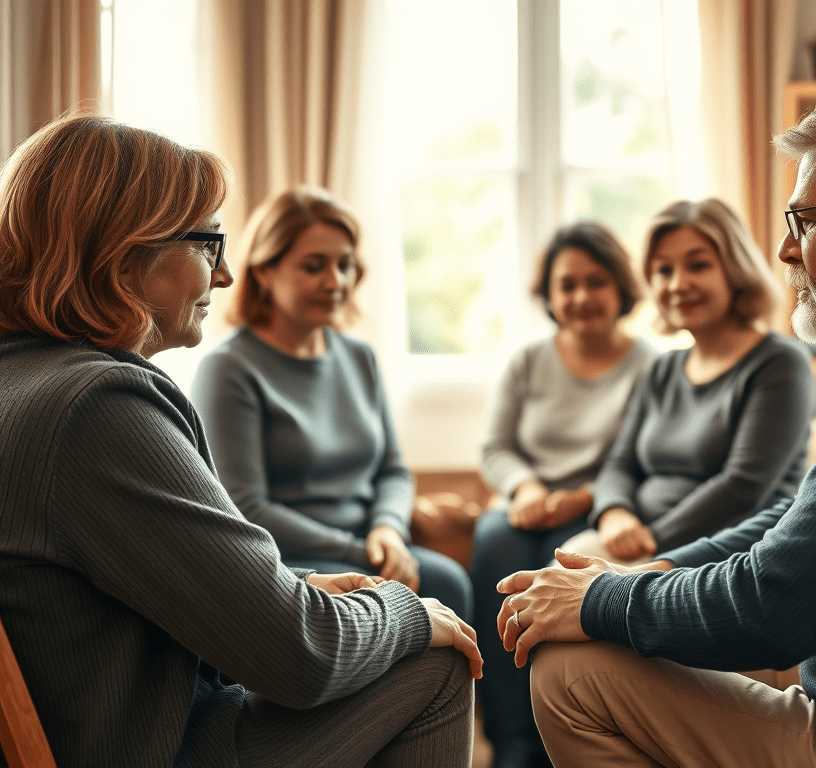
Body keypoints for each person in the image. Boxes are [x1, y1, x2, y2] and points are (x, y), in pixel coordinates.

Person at [496, 79, 816, 768]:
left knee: (572, 669)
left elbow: (776, 605)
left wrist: (604, 596)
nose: (786, 250)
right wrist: (655, 568)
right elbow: (805, 516)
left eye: (804, 220)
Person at [0, 113, 481, 768]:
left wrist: (300, 587)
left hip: (108, 724)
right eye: (207, 245)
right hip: (149, 745)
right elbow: (298, 657)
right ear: (123, 256)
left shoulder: (27, 383)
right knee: (431, 661)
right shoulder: (98, 408)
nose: (223, 275)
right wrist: (406, 610)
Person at [191, 186, 473, 620]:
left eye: (345, 265)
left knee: (450, 581)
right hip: (290, 562)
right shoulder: (228, 369)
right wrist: (361, 552)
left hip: (373, 547)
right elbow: (245, 506)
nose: (336, 282)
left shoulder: (359, 357)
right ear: (264, 272)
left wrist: (388, 530)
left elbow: (394, 470)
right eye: (314, 266)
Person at [471, 221, 654, 768]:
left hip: (597, 510)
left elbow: (646, 461)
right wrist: (525, 487)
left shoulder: (651, 366)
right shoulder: (528, 360)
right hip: (523, 508)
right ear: (548, 296)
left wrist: (579, 499)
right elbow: (495, 449)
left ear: (621, 287)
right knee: (495, 543)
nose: (580, 296)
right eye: (566, 285)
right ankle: (511, 742)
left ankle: (554, 736)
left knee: (565, 574)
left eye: (596, 282)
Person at [560, 198, 816, 564]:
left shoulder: (780, 363)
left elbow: (743, 487)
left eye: (698, 265)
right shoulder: (660, 369)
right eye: (664, 271)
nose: (678, 284)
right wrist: (614, 513)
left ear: (735, 270)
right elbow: (620, 462)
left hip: (722, 554)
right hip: (634, 542)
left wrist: (648, 542)